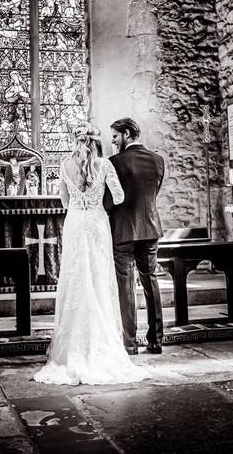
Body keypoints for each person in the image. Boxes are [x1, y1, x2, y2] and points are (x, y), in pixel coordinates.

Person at [34, 123, 149, 385]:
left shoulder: (64, 166)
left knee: (76, 278)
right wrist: (100, 202)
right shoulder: (105, 165)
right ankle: (101, 341)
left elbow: (63, 201)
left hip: (76, 222)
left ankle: (71, 346)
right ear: (96, 142)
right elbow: (118, 197)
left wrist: (80, 201)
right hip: (97, 222)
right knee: (98, 278)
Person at [107, 117, 165, 354]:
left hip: (123, 231)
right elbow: (153, 194)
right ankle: (156, 340)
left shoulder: (115, 162)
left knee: (126, 285)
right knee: (151, 280)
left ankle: (129, 343)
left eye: (115, 136)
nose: (113, 141)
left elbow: (111, 199)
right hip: (150, 229)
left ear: (127, 134)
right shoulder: (158, 160)